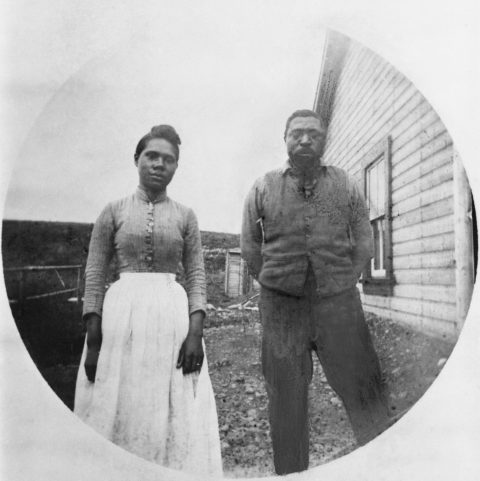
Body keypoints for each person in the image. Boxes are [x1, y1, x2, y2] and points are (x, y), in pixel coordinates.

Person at [241, 109, 391, 475]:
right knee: (286, 396)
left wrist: (343, 278)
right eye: (297, 133)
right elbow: (249, 246)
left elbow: (364, 239)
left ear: (323, 140)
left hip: (338, 305)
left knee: (364, 388)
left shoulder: (345, 184)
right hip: (282, 309)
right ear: (285, 138)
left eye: (313, 134)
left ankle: (386, 468)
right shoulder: (263, 186)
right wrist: (276, 282)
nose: (305, 140)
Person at [74, 125, 222, 476]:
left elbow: (197, 276)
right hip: (121, 317)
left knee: (172, 403)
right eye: (151, 156)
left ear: (176, 167)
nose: (159, 164)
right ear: (136, 159)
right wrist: (94, 340)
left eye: (168, 159)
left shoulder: (186, 216)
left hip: (171, 317)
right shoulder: (113, 211)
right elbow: (95, 273)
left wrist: (195, 335)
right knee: (117, 401)